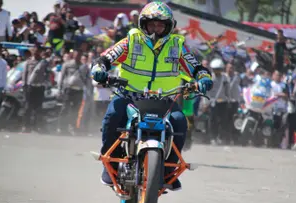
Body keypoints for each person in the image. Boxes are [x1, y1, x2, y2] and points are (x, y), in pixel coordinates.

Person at [91, 1, 213, 191]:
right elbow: (106, 58)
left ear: (168, 26)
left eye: (160, 24)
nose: (156, 29)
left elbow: (196, 67)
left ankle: (168, 171)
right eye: (152, 24)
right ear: (143, 24)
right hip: (129, 95)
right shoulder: (131, 41)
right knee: (112, 117)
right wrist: (99, 69)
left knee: (180, 122)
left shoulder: (177, 46)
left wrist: (203, 78)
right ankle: (111, 165)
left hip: (166, 99)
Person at [21, 44, 49, 133]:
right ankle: (26, 126)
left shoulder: (44, 62)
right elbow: (24, 75)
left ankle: (36, 127)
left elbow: (47, 74)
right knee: (27, 107)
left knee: (38, 108)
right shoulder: (28, 62)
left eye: (38, 51)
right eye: (35, 50)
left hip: (40, 87)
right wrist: (24, 87)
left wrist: (46, 83)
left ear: (41, 52)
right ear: (33, 51)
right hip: (30, 87)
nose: (37, 52)